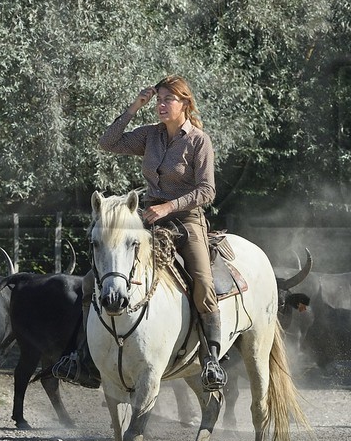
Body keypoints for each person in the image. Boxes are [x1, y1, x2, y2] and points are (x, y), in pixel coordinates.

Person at [55, 76, 227, 392]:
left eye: (168, 99)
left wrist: (169, 206)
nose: (161, 105)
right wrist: (135, 105)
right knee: (93, 281)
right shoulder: (150, 136)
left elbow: (207, 190)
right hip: (146, 219)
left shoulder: (198, 141)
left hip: (187, 221)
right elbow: (107, 142)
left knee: (203, 283)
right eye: (158, 99)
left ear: (184, 103)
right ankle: (82, 359)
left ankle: (212, 360)